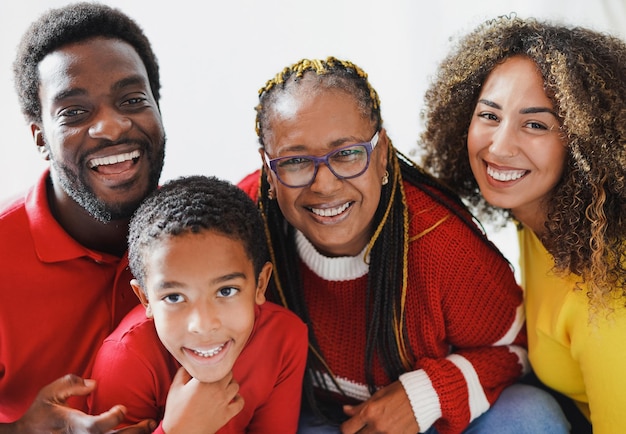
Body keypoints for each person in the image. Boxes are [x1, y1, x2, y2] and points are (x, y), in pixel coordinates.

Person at [237, 56, 569, 433]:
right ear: (268, 170)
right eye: (295, 161)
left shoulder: (439, 241)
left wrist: (426, 395)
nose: (324, 185)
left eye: (347, 154)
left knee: (529, 415)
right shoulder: (240, 222)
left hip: (434, 418)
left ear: (381, 156)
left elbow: (519, 349)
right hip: (317, 415)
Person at [418, 15, 626, 434]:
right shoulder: (543, 220)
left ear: (584, 143)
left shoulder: (610, 305)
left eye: (535, 124)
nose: (499, 146)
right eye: (489, 115)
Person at [0, 3, 167, 432]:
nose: (111, 127)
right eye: (74, 112)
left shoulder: (200, 231)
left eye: (132, 100)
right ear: (40, 137)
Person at [87, 175, 309, 433]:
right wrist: (182, 429)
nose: (203, 325)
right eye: (174, 297)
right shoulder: (126, 358)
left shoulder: (284, 338)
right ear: (145, 298)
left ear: (260, 285)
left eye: (226, 291)